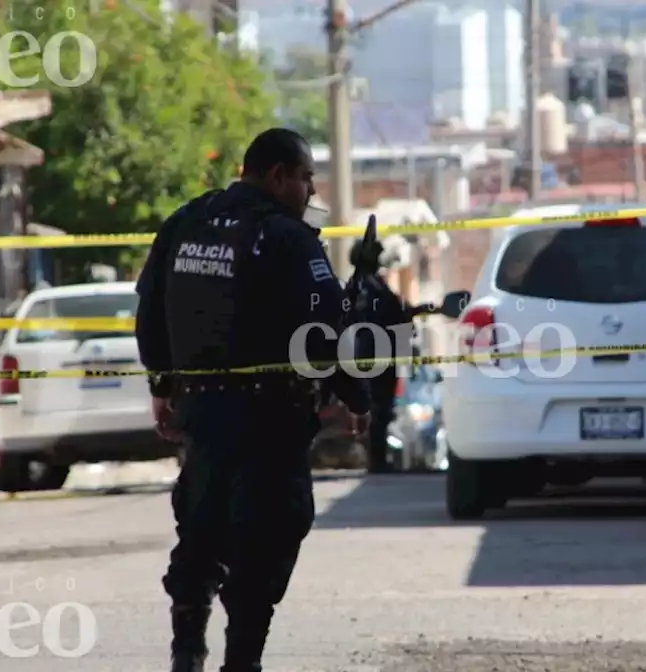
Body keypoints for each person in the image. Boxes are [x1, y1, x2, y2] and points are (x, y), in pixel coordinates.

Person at [134, 127, 371, 672]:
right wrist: (355, 396)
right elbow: (324, 330)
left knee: (202, 526)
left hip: (201, 412)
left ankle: (186, 650)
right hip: (269, 420)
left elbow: (150, 307)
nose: (311, 191)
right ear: (276, 175)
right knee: (266, 539)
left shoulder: (186, 221)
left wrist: (162, 386)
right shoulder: (287, 238)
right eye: (306, 177)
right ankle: (242, 662)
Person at [347, 238, 436, 473]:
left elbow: (394, 313)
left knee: (381, 408)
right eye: (376, 254)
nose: (379, 259)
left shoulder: (365, 285)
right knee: (378, 408)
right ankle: (376, 461)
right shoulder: (367, 286)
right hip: (376, 354)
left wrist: (415, 311)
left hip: (376, 353)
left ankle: (377, 458)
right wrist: (408, 316)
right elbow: (389, 316)